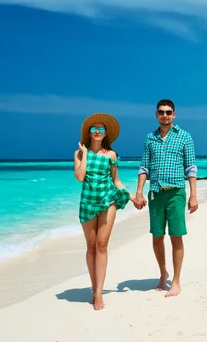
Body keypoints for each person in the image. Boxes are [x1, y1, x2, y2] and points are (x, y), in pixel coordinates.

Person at [74, 112, 139, 310]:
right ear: (89, 132)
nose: (97, 132)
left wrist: (131, 196)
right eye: (93, 129)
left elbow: (116, 180)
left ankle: (99, 293)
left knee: (102, 245)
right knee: (91, 246)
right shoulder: (78, 154)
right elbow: (79, 177)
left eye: (101, 129)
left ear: (105, 133)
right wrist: (84, 155)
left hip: (108, 200)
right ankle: (94, 289)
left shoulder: (111, 155)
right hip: (87, 202)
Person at [134, 99, 198, 297]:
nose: (165, 115)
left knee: (176, 236)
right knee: (157, 236)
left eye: (168, 112)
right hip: (156, 193)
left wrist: (193, 196)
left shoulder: (185, 137)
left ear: (174, 115)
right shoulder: (149, 138)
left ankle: (176, 281)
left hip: (176, 192)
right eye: (161, 112)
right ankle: (163, 274)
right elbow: (144, 167)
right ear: (156, 115)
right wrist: (138, 192)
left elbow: (191, 168)